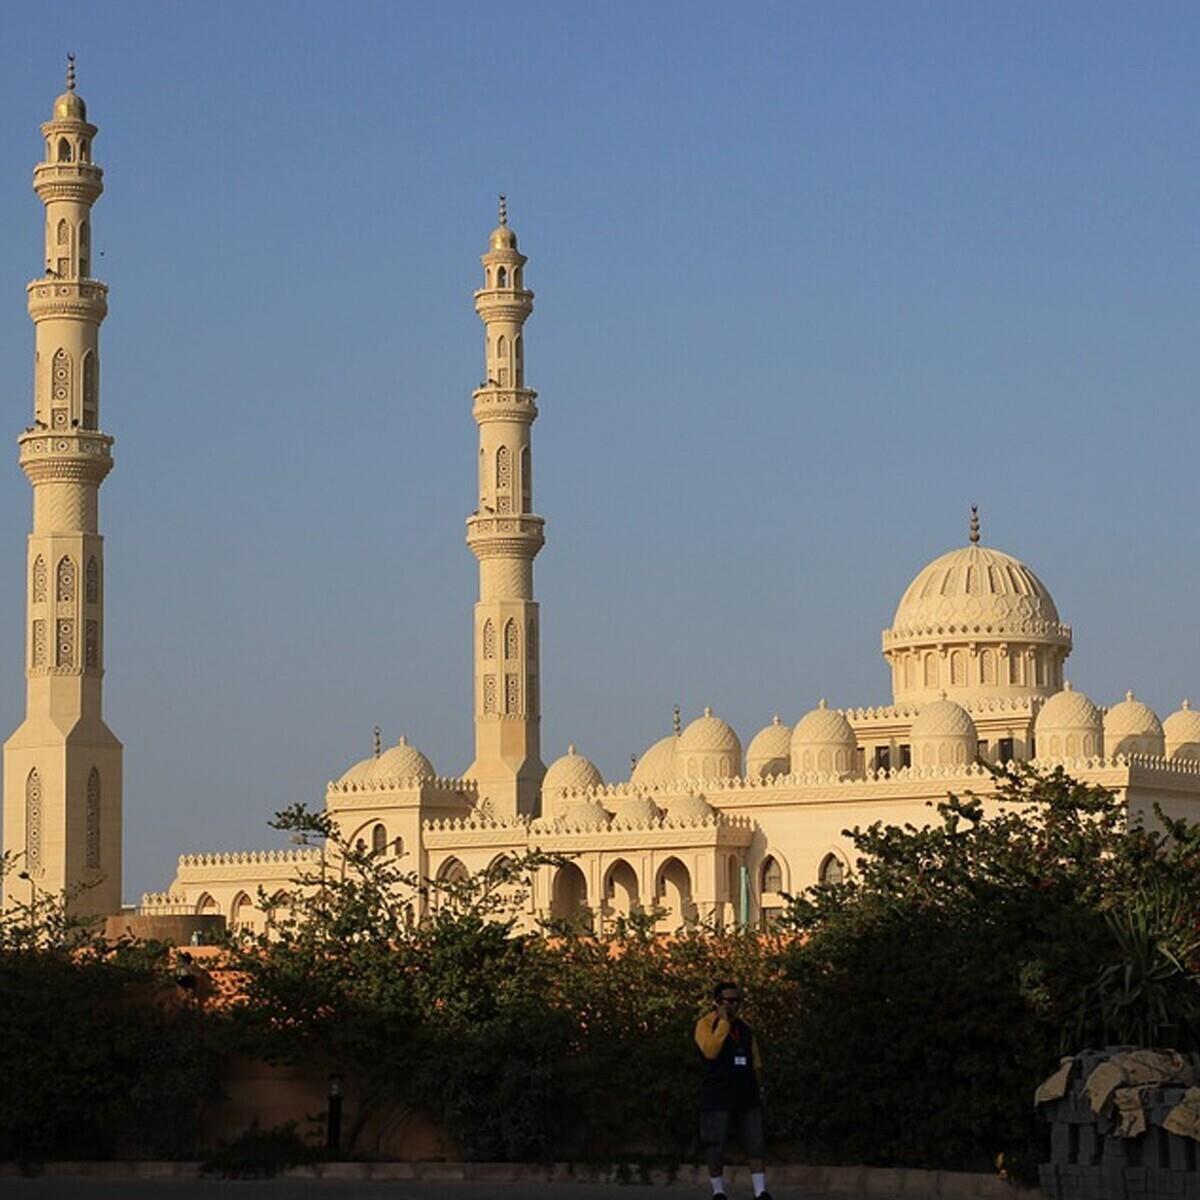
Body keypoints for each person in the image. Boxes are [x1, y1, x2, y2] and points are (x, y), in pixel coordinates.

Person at [694, 980, 771, 1200]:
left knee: (755, 1142)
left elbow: (755, 1060)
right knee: (715, 1144)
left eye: (738, 1001)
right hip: (717, 1094)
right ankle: (718, 1191)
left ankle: (760, 1191)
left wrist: (760, 1085)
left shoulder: (745, 1028)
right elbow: (710, 1051)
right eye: (729, 1001)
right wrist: (723, 1024)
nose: (734, 1005)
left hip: (746, 1093)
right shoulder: (705, 1024)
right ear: (717, 1002)